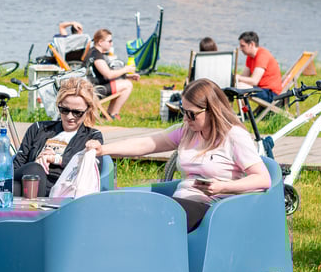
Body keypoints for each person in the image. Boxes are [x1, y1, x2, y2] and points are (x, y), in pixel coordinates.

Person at [86, 79, 271, 232]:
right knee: (128, 206)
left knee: (152, 211)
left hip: (212, 209)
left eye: (191, 114)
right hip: (182, 203)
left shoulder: (234, 136)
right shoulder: (187, 131)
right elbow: (146, 144)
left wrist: (223, 186)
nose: (185, 118)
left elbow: (263, 179)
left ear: (211, 110)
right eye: (183, 111)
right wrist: (103, 149)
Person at [12, 77, 103, 197]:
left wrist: (56, 159)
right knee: (30, 173)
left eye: (77, 112)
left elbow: (92, 167)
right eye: (64, 110)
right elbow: (16, 166)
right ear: (58, 105)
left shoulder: (92, 136)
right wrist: (37, 162)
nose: (70, 117)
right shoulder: (38, 128)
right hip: (30, 183)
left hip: (61, 191)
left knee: (25, 179)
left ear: (88, 110)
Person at [86, 28, 140, 120]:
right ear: (100, 42)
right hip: (94, 90)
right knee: (127, 85)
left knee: (125, 82)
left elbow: (103, 74)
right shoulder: (96, 56)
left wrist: (127, 76)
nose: (111, 44)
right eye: (109, 41)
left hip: (92, 87)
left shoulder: (93, 52)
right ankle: (113, 114)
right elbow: (108, 75)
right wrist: (125, 69)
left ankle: (109, 114)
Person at [237, 31, 282, 103]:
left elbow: (254, 81)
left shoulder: (262, 55)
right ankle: (244, 109)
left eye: (242, 46)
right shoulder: (250, 57)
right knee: (236, 86)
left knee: (239, 87)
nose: (240, 49)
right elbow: (244, 77)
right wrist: (235, 78)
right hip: (261, 89)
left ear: (251, 44)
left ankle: (244, 110)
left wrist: (238, 77)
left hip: (271, 93)